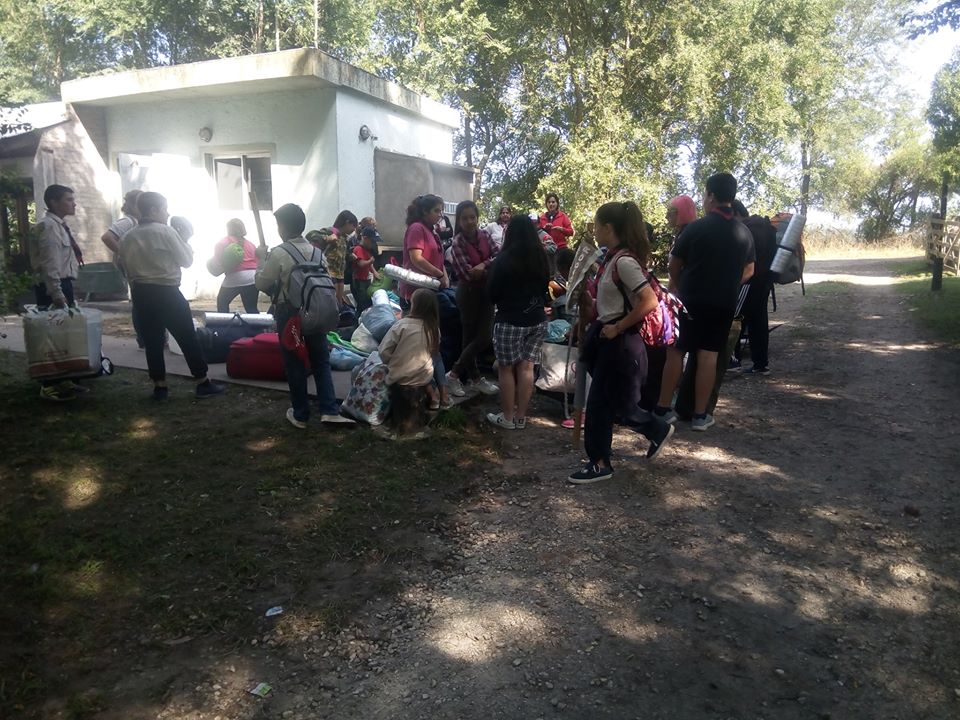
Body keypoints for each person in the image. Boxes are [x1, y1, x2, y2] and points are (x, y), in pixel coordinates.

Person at [567, 202, 675, 484]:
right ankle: (653, 431)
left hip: (621, 343)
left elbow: (649, 301)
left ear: (608, 228)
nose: (594, 230)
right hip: (609, 338)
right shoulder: (610, 259)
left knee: (600, 403)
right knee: (614, 402)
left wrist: (617, 327)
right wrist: (585, 301)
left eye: (596, 224)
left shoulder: (623, 262)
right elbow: (607, 304)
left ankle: (600, 462)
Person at [655, 173, 755, 431]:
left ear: (710, 195)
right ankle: (700, 416)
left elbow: (673, 265)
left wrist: (681, 284)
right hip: (723, 302)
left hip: (690, 299)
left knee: (676, 351)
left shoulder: (696, 228)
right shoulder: (743, 232)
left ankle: (663, 409)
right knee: (709, 355)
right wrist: (730, 284)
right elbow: (750, 269)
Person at [255, 203, 355, 429]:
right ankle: (329, 409)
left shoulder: (279, 252)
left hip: (290, 314)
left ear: (282, 227)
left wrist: (261, 259)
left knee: (295, 363)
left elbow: (262, 283)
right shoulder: (318, 252)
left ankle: (300, 414)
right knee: (321, 360)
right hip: (315, 310)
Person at [120, 192, 226, 401]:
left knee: (152, 340)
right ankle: (202, 382)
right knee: (187, 337)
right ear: (153, 210)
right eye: (164, 209)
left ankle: (160, 387)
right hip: (166, 291)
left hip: (141, 293)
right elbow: (186, 260)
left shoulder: (128, 236)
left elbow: (123, 265)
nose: (167, 213)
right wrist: (184, 239)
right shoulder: (166, 231)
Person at [486, 214, 550, 429]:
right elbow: (545, 287)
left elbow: (492, 292)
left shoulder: (503, 259)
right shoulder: (541, 257)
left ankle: (507, 417)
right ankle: (521, 417)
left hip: (509, 320)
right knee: (527, 367)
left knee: (506, 369)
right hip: (537, 319)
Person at [29, 184, 84, 401]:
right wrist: (57, 293)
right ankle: (49, 384)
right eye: (68, 199)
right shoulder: (48, 227)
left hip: (63, 284)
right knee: (50, 335)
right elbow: (49, 264)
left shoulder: (60, 225)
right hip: (52, 287)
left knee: (65, 335)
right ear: (53, 202)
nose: (74, 204)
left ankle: (65, 378)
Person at [401, 194, 451, 407]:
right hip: (416, 294)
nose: (440, 215)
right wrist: (439, 275)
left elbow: (439, 261)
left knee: (433, 344)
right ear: (424, 211)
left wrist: (444, 276)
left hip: (431, 292)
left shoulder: (432, 231)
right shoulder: (416, 229)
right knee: (420, 345)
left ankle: (441, 392)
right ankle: (432, 393)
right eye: (436, 211)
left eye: (441, 210)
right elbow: (416, 258)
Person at [447, 200, 499, 397]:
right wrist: (488, 267)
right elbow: (467, 274)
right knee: (468, 337)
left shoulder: (485, 234)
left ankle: (454, 373)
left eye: (472, 217)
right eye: (465, 218)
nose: (469, 222)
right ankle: (475, 378)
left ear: (477, 218)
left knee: (485, 336)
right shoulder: (457, 242)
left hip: (487, 292)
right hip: (468, 294)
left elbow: (499, 256)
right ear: (459, 221)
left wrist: (483, 265)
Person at [378, 288, 439, 436]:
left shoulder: (401, 325)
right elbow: (434, 354)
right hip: (423, 379)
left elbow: (383, 351)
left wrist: (391, 362)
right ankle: (433, 399)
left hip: (398, 378)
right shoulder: (434, 329)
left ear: (414, 305)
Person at [732, 200, 777, 375]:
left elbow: (743, 259)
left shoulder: (747, 229)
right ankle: (761, 364)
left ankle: (733, 360)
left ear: (736, 213)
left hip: (749, 281)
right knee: (758, 322)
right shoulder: (764, 226)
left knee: (735, 318)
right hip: (765, 282)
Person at [308, 210, 358, 306]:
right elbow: (311, 235)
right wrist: (327, 238)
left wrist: (350, 256)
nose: (354, 230)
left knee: (339, 302)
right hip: (329, 272)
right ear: (347, 222)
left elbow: (344, 251)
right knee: (331, 300)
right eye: (353, 226)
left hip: (340, 274)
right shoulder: (330, 231)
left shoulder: (345, 238)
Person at [214, 219, 260, 313]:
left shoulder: (223, 242)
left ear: (229, 229)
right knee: (251, 308)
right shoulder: (250, 244)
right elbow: (257, 262)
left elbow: (218, 262)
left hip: (235, 276)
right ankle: (257, 323)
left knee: (222, 302)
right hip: (253, 277)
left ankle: (224, 322)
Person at [350, 226, 380, 314]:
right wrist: (370, 261)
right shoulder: (358, 249)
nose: (373, 244)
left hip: (365, 279)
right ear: (365, 238)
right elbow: (361, 264)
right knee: (362, 303)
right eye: (372, 241)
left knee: (367, 301)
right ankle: (359, 319)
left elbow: (369, 265)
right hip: (359, 281)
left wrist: (374, 272)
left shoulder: (366, 250)